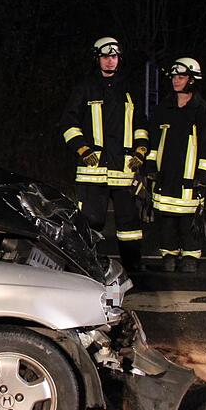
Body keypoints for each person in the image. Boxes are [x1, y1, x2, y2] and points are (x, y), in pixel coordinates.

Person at [59, 36, 149, 273]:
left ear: (119, 58)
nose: (110, 61)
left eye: (114, 56)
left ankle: (133, 265)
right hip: (93, 170)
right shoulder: (85, 88)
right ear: (97, 58)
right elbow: (68, 123)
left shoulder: (129, 90)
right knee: (91, 222)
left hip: (123, 169)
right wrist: (83, 149)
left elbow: (141, 124)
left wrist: (140, 151)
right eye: (105, 57)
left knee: (129, 224)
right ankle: (88, 265)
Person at [144, 57, 206, 273]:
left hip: (190, 180)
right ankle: (168, 254)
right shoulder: (163, 109)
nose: (176, 81)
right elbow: (153, 143)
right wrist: (150, 168)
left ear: (192, 80)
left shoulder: (202, 112)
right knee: (166, 219)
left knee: (189, 220)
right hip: (164, 178)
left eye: (181, 77)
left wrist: (203, 176)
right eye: (174, 77)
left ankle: (190, 256)